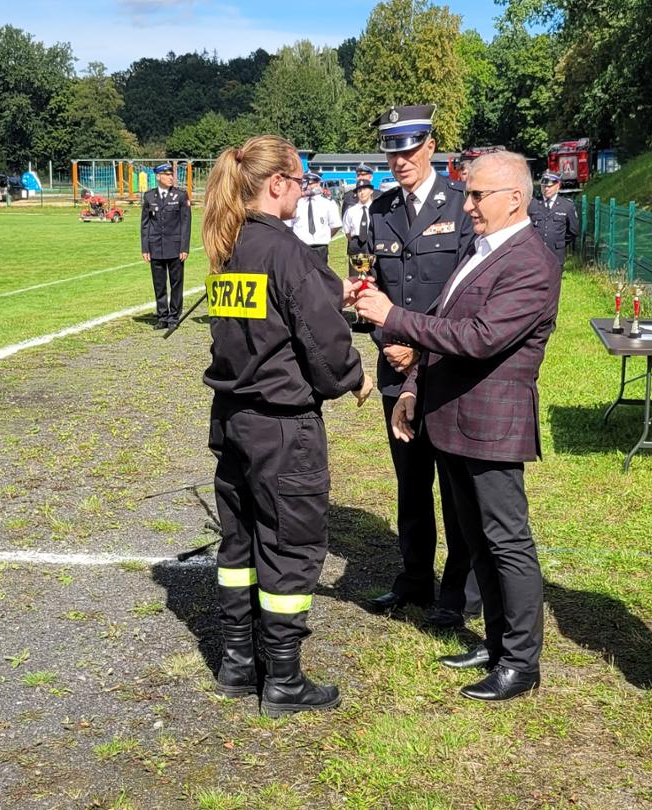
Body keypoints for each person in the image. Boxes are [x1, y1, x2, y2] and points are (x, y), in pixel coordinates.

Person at [349, 149, 560, 702]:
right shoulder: (485, 250)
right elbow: (445, 324)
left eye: (476, 195)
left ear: (515, 198)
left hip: (491, 423)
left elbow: (481, 337)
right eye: (467, 194)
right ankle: (495, 640)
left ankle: (520, 661)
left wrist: (391, 316)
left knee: (506, 541)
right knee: (479, 540)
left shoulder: (530, 261)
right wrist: (415, 388)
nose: (466, 205)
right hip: (453, 416)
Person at [200, 133, 371, 717]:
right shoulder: (287, 249)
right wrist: (353, 377)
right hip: (281, 425)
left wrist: (330, 292)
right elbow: (320, 341)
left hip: (233, 419)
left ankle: (237, 662)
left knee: (240, 541)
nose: (305, 191)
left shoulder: (229, 247)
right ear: (277, 184)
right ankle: (284, 679)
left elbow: (267, 317)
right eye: (300, 181)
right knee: (290, 546)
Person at [360, 104, 482, 627]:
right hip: (395, 368)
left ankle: (457, 594)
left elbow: (468, 296)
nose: (400, 159)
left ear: (431, 145)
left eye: (409, 148)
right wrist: (388, 340)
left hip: (444, 372)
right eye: (392, 150)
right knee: (410, 485)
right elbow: (370, 285)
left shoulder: (459, 206)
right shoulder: (380, 209)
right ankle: (413, 579)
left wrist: (419, 347)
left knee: (457, 490)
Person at [140, 164, 192, 330]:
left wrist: (184, 247)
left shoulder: (181, 196)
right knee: (159, 283)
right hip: (156, 247)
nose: (171, 177)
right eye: (167, 175)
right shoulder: (149, 197)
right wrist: (145, 248)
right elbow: (145, 224)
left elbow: (186, 223)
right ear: (158, 177)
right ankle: (162, 316)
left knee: (176, 283)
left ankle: (174, 317)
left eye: (172, 175)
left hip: (175, 247)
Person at [288, 171, 343, 266]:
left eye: (311, 183)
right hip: (301, 247)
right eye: (305, 183)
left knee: (320, 276)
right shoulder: (296, 203)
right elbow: (289, 226)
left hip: (320, 247)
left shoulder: (328, 203)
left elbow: (336, 225)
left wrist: (324, 236)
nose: (308, 186)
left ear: (318, 183)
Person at [528, 171, 579, 266]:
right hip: (535, 256)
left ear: (558, 185)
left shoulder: (567, 206)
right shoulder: (532, 204)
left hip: (555, 256)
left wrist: (558, 242)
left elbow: (573, 231)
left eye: (549, 186)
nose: (546, 189)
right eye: (544, 186)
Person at [343, 185, 374, 270]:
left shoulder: (376, 209)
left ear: (371, 191)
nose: (362, 193)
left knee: (372, 274)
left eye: (364, 189)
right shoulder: (351, 211)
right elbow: (347, 232)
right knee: (355, 275)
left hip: (372, 243)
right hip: (356, 244)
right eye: (359, 190)